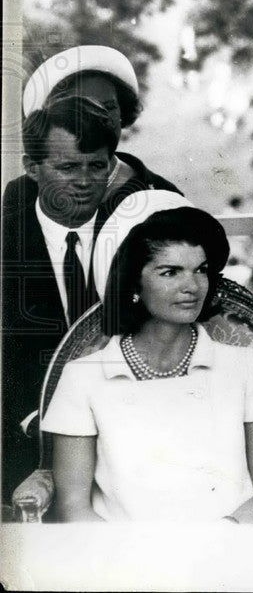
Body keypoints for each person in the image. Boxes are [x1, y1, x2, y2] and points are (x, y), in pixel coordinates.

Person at [40, 191, 253, 522]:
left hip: (228, 555)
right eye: (170, 272)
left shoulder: (246, 367)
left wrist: (219, 541)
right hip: (123, 563)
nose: (192, 286)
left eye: (200, 270)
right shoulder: (82, 377)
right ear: (134, 283)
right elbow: (73, 506)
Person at [1, 97, 117, 505]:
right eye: (67, 168)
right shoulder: (6, 240)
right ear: (32, 168)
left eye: (97, 165)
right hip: (23, 436)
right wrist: (40, 423)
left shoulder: (136, 235)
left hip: (126, 433)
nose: (84, 182)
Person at [3, 45, 181, 218]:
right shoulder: (22, 193)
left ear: (123, 112)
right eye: (81, 107)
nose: (98, 117)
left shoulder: (161, 195)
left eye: (109, 106)